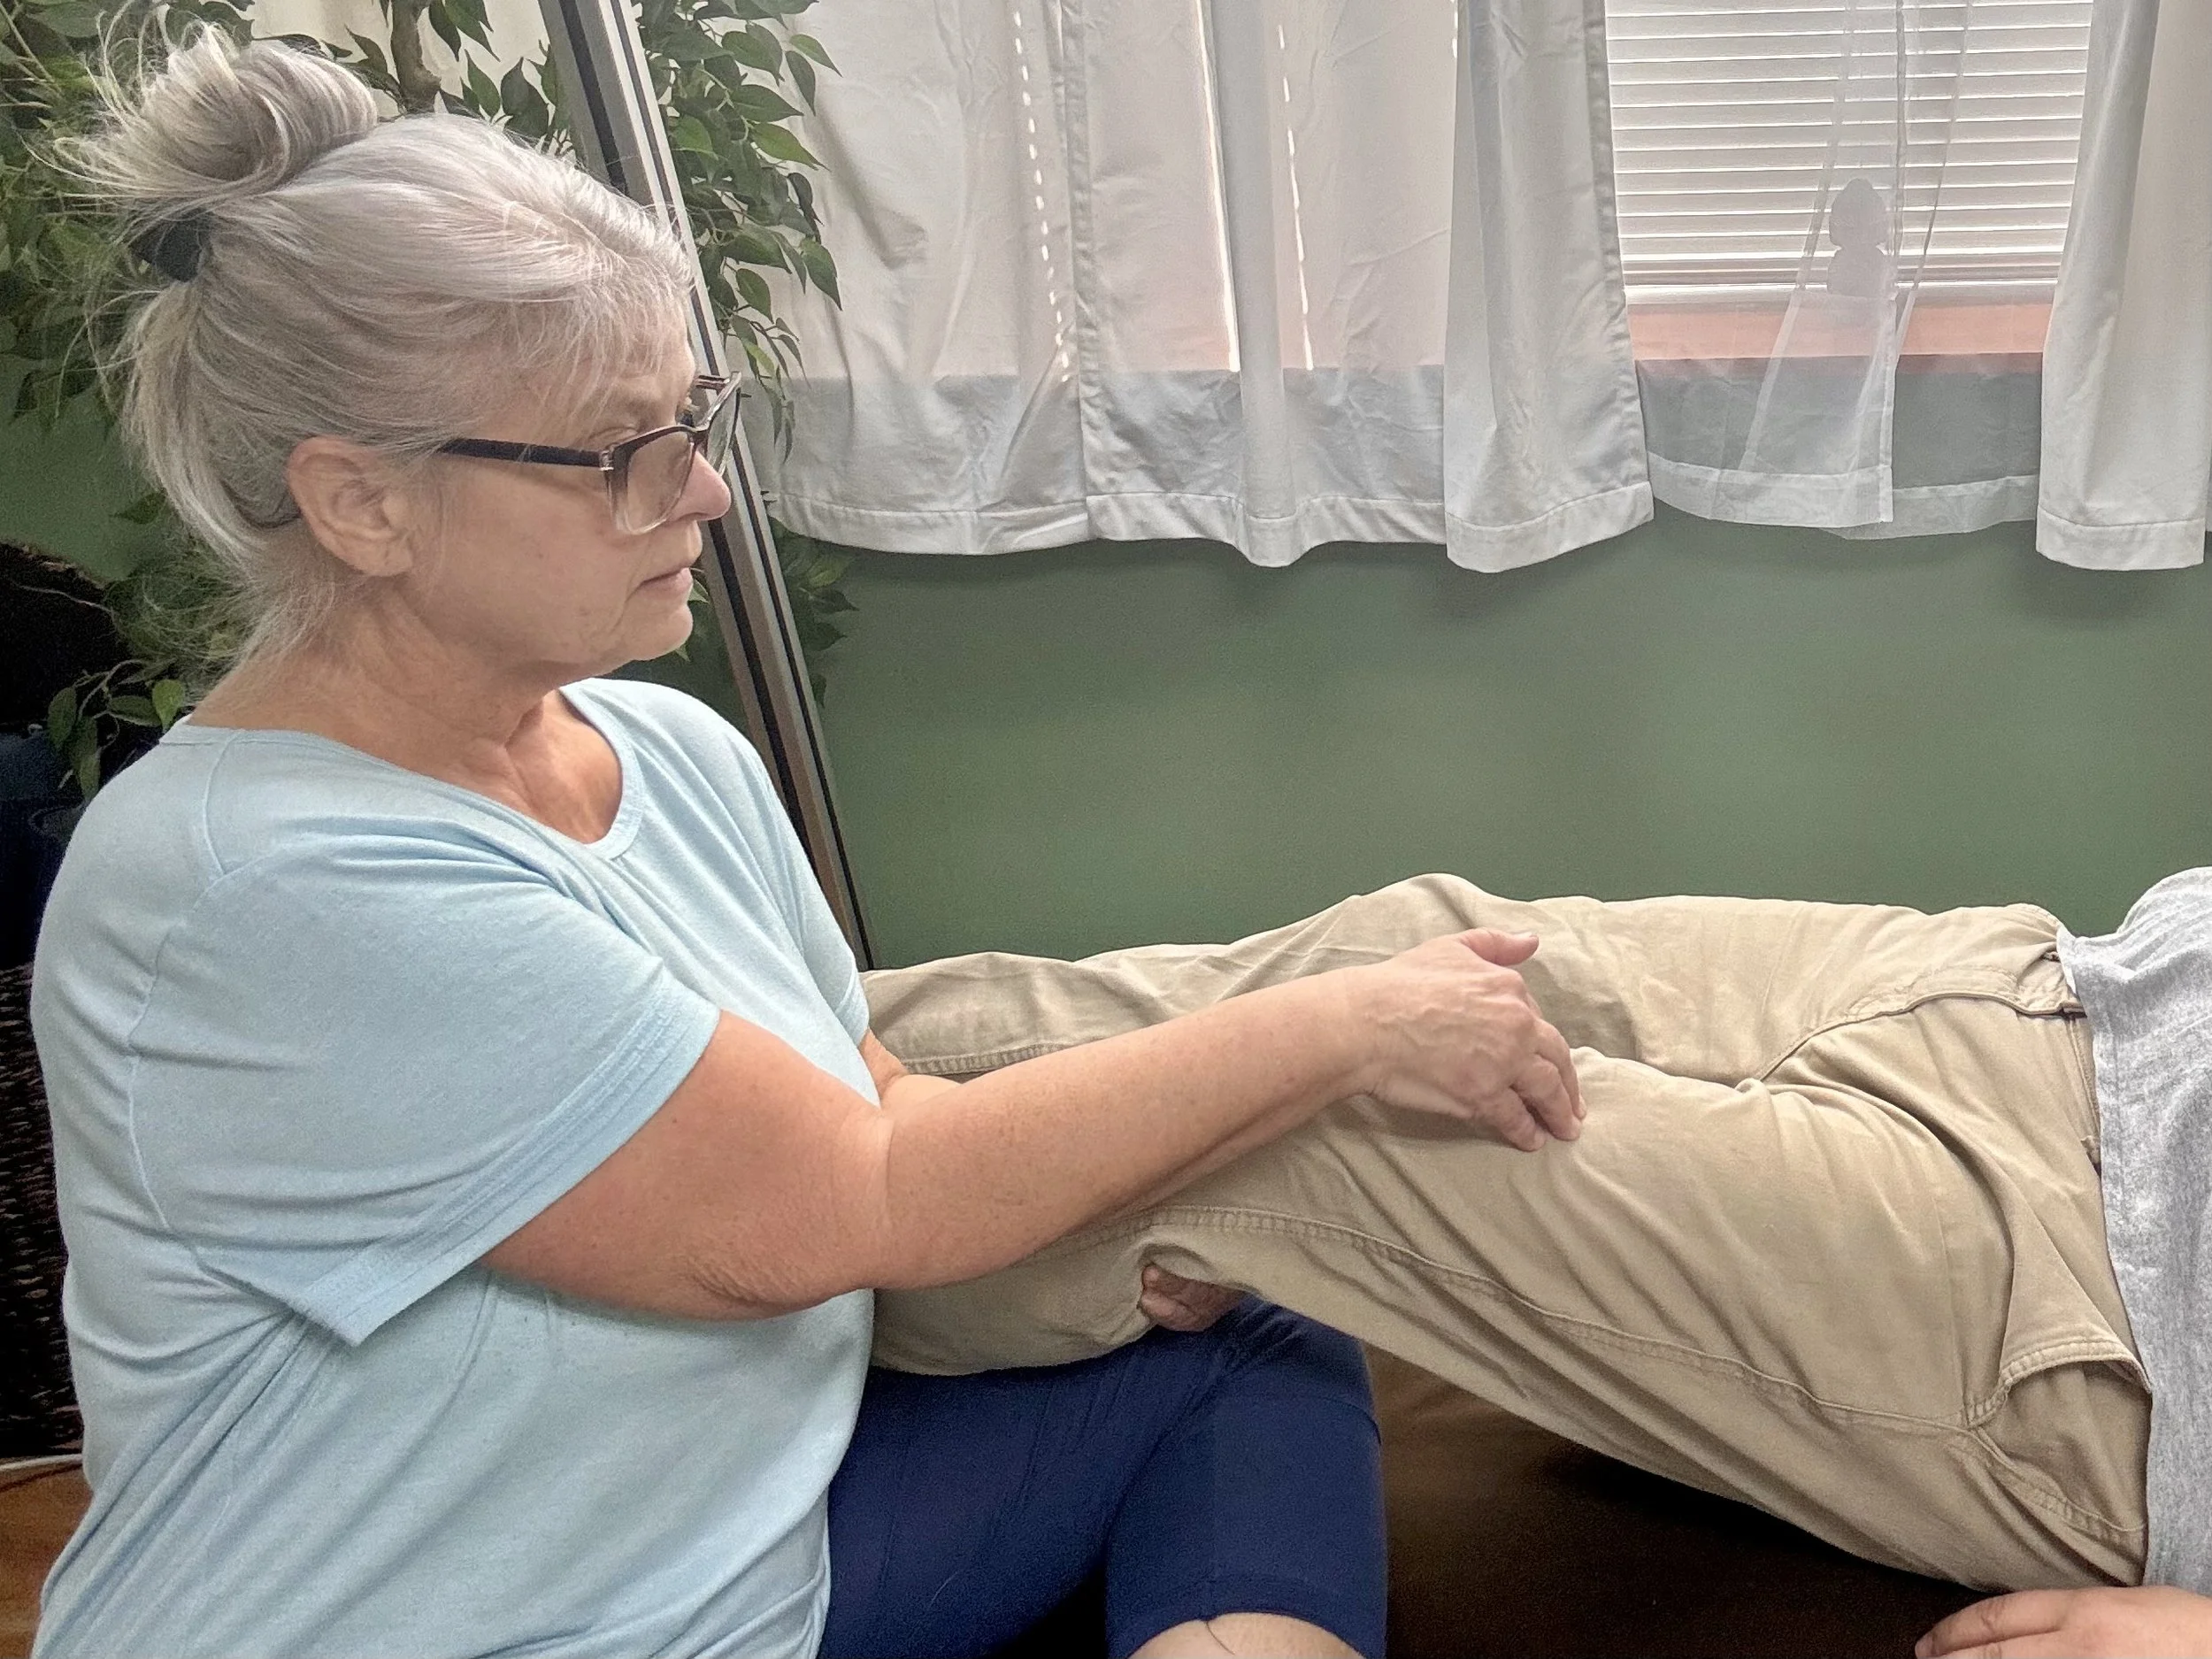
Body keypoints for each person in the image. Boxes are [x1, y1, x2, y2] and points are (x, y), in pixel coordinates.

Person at [27, 34, 1591, 1659]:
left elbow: (883, 1106)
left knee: (1256, 1338)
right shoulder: (259, 887)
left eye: (692, 419)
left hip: (750, 1552)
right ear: (361, 503)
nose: (705, 493)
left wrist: (1146, 1233)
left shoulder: (670, 753)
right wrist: (1346, 1023)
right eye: (623, 453)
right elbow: (864, 1193)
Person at [861, 869, 2212, 1659]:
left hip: (2108, 1336)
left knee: (1304, 1110)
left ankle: (766, 1227)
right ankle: (762, 1043)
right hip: (2082, 997)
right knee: (1416, 948)